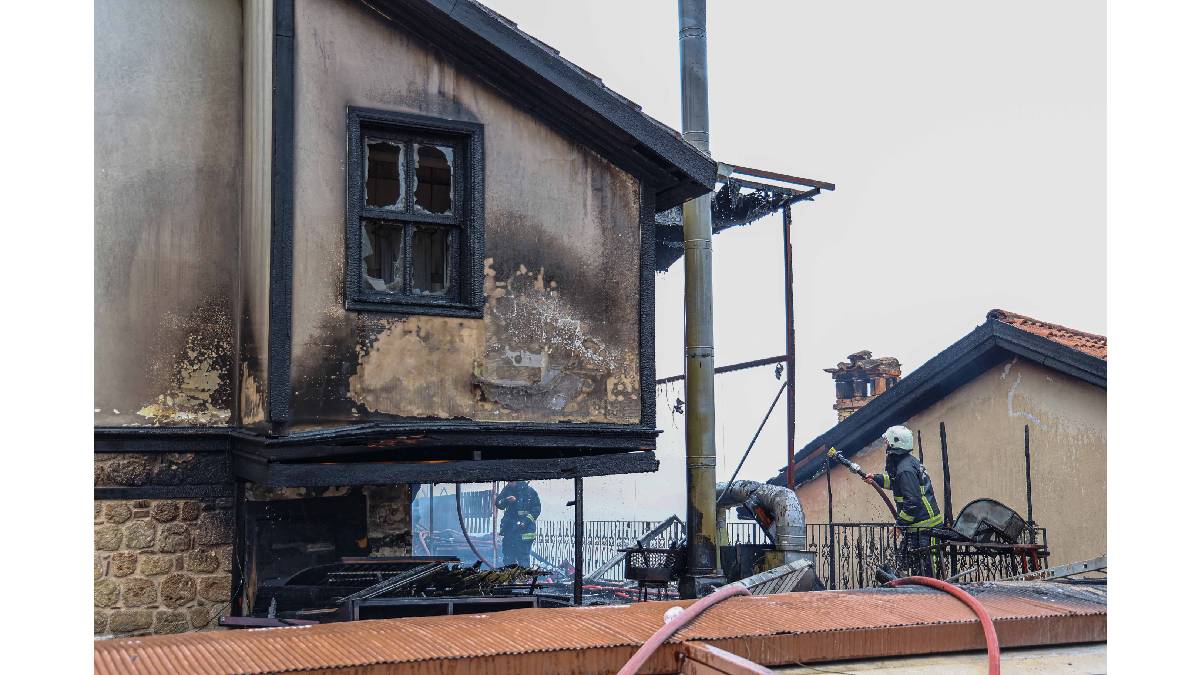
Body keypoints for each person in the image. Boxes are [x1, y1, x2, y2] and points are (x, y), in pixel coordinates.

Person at [867, 425, 944, 577]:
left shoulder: (905, 469)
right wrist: (876, 479)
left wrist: (899, 525)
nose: (885, 445)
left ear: (895, 444)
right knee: (911, 566)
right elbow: (896, 482)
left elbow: (913, 502)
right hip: (917, 527)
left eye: (886, 442)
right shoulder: (905, 464)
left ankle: (931, 598)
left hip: (925, 529)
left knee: (928, 572)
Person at [495, 480, 540, 566]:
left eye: (512, 481)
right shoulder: (507, 490)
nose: (509, 483)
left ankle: (524, 578)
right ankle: (510, 578)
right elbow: (498, 503)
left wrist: (525, 522)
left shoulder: (530, 492)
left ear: (518, 481)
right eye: (508, 482)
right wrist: (506, 500)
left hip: (524, 530)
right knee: (508, 557)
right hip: (509, 529)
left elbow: (536, 509)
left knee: (523, 558)